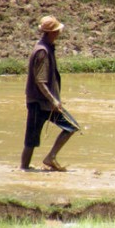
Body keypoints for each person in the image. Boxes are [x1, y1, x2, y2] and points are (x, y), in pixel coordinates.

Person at [20, 15, 79, 171]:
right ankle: (25, 168)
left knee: (71, 126)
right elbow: (40, 81)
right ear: (52, 33)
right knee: (32, 138)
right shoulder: (42, 52)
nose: (59, 34)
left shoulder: (45, 47)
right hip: (41, 103)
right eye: (57, 31)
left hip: (44, 102)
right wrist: (53, 100)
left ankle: (49, 157)